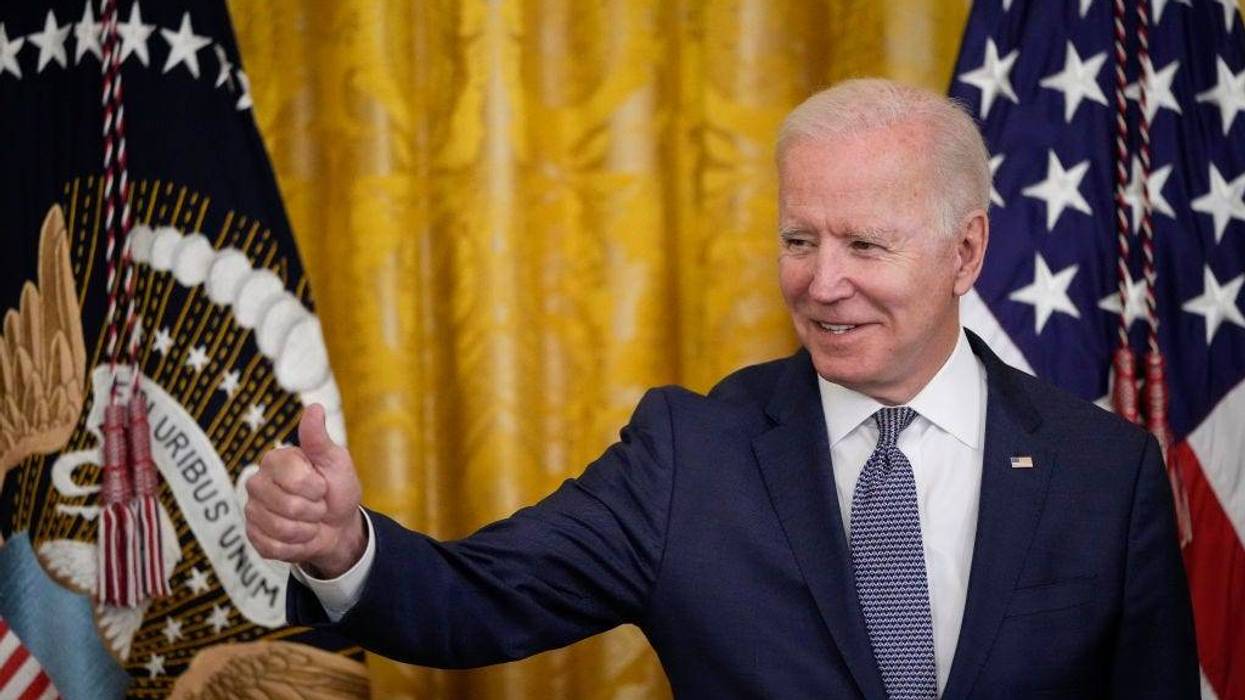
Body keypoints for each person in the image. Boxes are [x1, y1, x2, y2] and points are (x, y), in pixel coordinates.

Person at [244, 79, 1199, 699]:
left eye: (865, 245)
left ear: (966, 251)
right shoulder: (687, 456)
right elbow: (475, 600)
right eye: (798, 240)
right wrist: (341, 546)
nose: (821, 283)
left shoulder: (1101, 473)